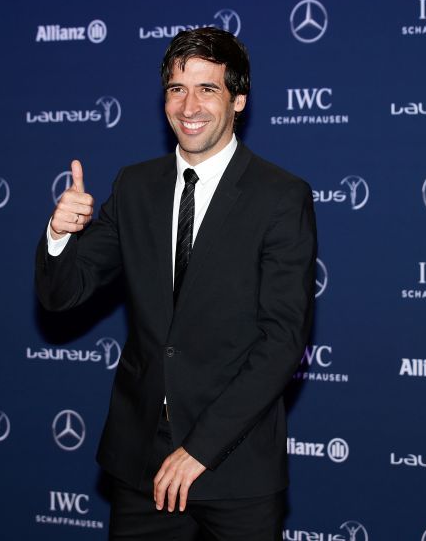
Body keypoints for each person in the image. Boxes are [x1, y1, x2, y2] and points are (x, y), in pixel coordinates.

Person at [35, 27, 317, 540]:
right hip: (142, 462)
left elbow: (282, 341)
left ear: (239, 100)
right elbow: (62, 294)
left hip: (236, 467)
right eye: (176, 89)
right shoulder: (135, 186)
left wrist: (199, 450)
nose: (189, 106)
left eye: (207, 89)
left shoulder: (280, 196)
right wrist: (59, 234)